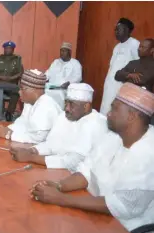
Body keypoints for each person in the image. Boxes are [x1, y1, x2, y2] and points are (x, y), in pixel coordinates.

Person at [29, 83, 154, 232]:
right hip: (93, 214)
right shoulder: (112, 137)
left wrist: (60, 199)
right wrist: (59, 186)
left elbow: (121, 207)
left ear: (131, 116)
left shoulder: (148, 152)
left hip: (125, 226)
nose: (108, 113)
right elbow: (86, 170)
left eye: (114, 108)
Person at [10, 83, 108, 172]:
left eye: (72, 104)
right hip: (57, 171)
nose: (67, 108)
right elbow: (51, 144)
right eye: (66, 103)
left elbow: (73, 162)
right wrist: (32, 150)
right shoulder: (64, 117)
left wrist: (31, 157)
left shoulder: (97, 123)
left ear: (86, 106)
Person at [0, 69, 62, 143]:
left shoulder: (46, 105)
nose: (19, 92)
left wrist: (9, 134)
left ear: (35, 90)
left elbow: (39, 138)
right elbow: (23, 122)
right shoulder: (29, 102)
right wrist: (8, 129)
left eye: (22, 88)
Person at [100, 18, 140, 115]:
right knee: (106, 109)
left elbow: (139, 64)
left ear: (126, 30)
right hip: (110, 84)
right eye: (116, 29)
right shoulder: (117, 47)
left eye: (119, 29)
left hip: (122, 86)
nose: (116, 31)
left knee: (116, 112)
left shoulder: (134, 44)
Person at [0, 41, 23, 121]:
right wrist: (0, 77)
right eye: (6, 48)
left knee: (16, 93)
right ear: (4, 49)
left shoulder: (17, 59)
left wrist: (11, 78)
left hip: (11, 84)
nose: (8, 50)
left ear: (13, 49)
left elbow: (20, 73)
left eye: (10, 48)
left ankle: (9, 113)